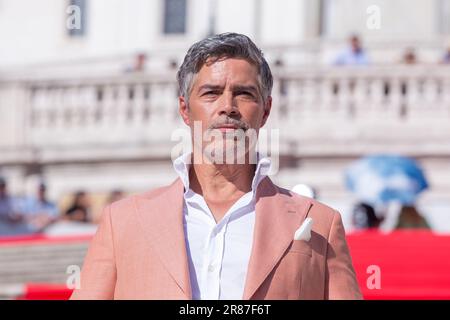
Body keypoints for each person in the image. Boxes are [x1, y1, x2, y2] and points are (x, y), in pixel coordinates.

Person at [71, 33, 362, 300]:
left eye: (244, 93)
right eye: (211, 92)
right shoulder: (122, 222)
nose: (228, 106)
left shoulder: (320, 223)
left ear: (266, 110)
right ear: (185, 109)